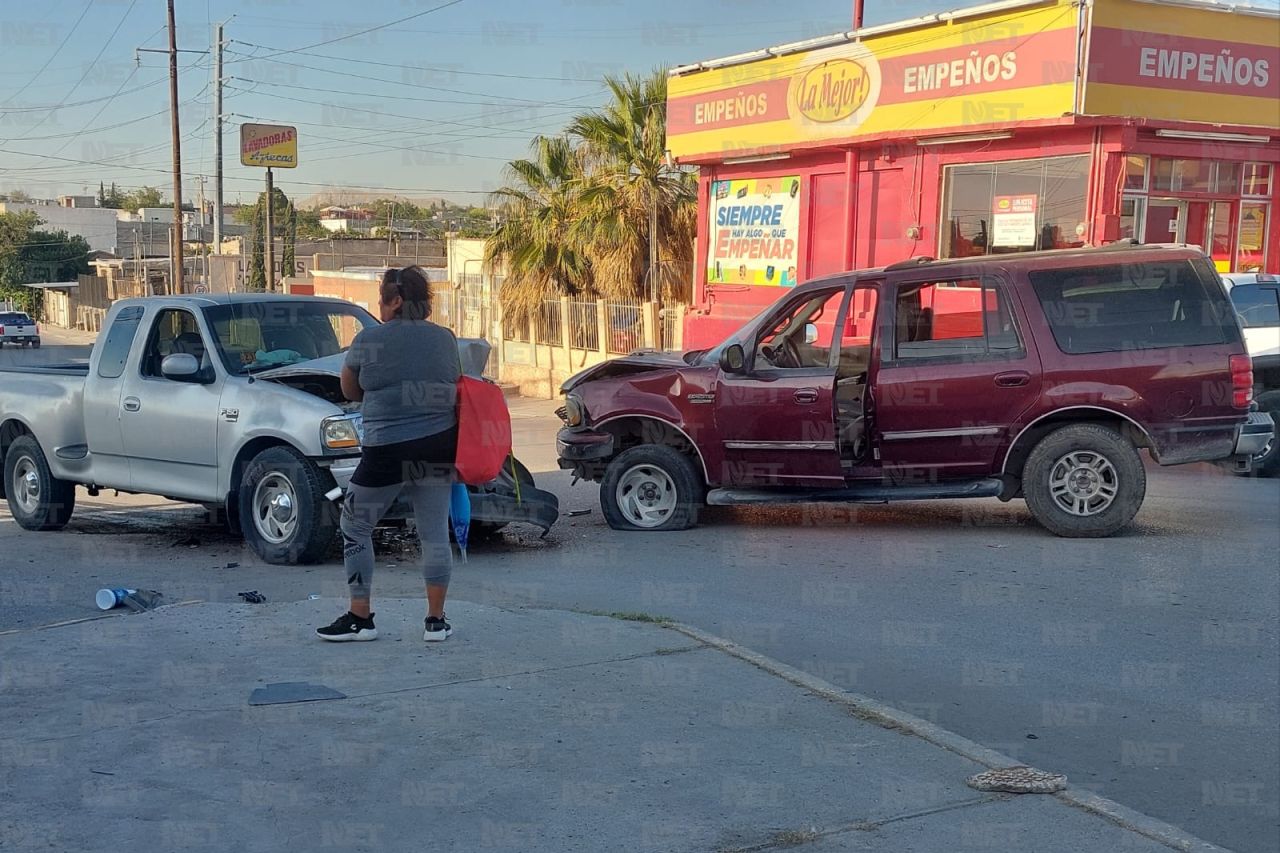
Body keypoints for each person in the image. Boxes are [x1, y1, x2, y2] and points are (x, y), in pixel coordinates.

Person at [316, 266, 461, 643]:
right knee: (432, 534)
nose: (379, 305)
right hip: (437, 446)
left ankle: (360, 616)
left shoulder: (369, 340)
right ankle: (435, 621)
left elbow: (350, 389)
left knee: (355, 527)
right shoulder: (445, 338)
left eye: (382, 298)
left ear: (395, 300)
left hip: (386, 450)